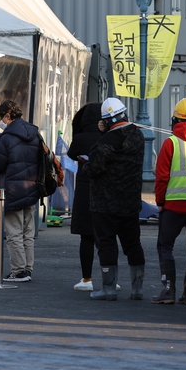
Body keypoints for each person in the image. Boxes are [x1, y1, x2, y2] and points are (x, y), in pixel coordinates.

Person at [83, 97, 145, 301]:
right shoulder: (137, 136)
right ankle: (137, 289)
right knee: (133, 244)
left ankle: (108, 289)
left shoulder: (104, 142)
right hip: (130, 202)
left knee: (107, 244)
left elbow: (94, 169)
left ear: (106, 121)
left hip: (105, 203)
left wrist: (86, 164)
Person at [151, 98, 186, 304]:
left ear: (174, 120)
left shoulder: (171, 142)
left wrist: (160, 201)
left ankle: (168, 290)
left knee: (165, 246)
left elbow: (162, 176)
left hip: (173, 205)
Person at [0, 100, 44, 283]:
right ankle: (27, 267)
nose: (0, 121)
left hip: (11, 190)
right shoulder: (35, 134)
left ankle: (18, 271)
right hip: (31, 189)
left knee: (13, 232)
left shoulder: (7, 138)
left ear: (8, 116)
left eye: (1, 117)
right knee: (28, 231)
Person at [67, 102, 104, 291]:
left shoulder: (80, 138)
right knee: (106, 237)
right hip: (105, 189)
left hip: (84, 189)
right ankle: (109, 277)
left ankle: (87, 279)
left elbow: (70, 153)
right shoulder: (107, 136)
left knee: (86, 237)